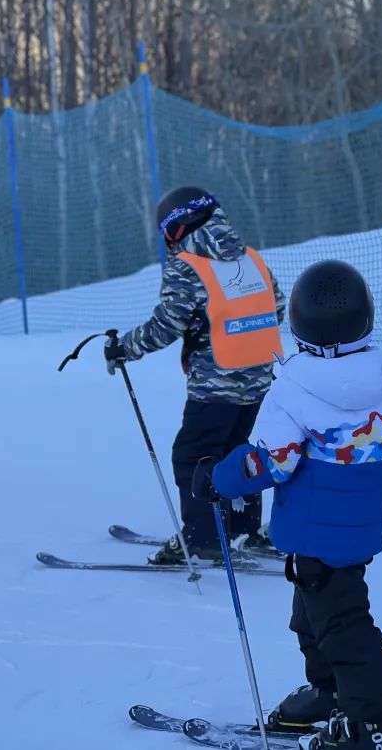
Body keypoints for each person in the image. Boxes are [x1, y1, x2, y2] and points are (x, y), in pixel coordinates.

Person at [197, 260, 382, 750]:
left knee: (343, 624)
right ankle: (332, 691)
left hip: (311, 533)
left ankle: (376, 720)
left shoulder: (293, 386)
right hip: (359, 532)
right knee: (311, 615)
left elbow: (270, 464)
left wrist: (219, 479)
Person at [104, 186, 285, 564]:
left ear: (176, 228)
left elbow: (166, 325)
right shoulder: (250, 257)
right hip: (257, 378)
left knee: (194, 455)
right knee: (237, 450)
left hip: (215, 382)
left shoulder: (188, 264)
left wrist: (125, 347)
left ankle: (202, 538)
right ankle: (243, 529)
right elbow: (278, 306)